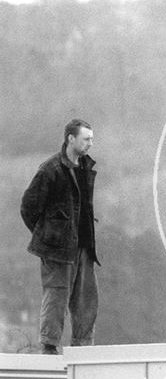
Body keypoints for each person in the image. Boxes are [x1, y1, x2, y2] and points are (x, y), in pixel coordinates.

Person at [21, 119, 100, 354]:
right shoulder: (50, 169)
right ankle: (49, 346)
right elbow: (28, 207)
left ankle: (83, 348)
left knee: (86, 299)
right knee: (56, 296)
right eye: (86, 139)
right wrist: (49, 235)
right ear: (71, 139)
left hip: (83, 246)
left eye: (92, 139)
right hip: (57, 249)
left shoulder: (85, 166)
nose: (90, 144)